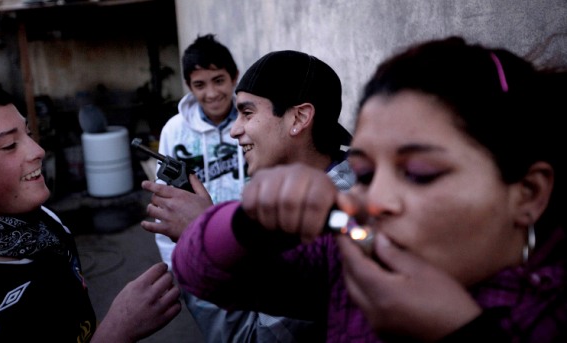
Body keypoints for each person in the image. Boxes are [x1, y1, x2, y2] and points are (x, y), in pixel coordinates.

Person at [171, 36, 567, 342]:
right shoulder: (351, 255)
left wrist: (460, 332)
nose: (374, 200)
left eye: (419, 172)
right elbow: (204, 276)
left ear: (528, 194)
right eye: (364, 172)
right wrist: (244, 224)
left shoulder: (546, 317)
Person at [0, 70, 181, 342]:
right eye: (10, 145)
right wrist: (116, 332)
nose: (37, 151)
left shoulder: (47, 222)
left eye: (29, 133)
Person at [145, 50, 355, 342]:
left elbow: (251, 338)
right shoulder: (304, 196)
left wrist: (201, 242)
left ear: (299, 117)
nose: (234, 130)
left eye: (247, 113)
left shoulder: (324, 227)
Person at [140, 33, 245, 267]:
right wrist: (176, 265)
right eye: (200, 84)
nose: (211, 93)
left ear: (234, 77)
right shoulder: (175, 132)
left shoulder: (252, 122)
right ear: (189, 86)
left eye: (219, 80)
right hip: (199, 254)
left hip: (251, 249)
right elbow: (165, 202)